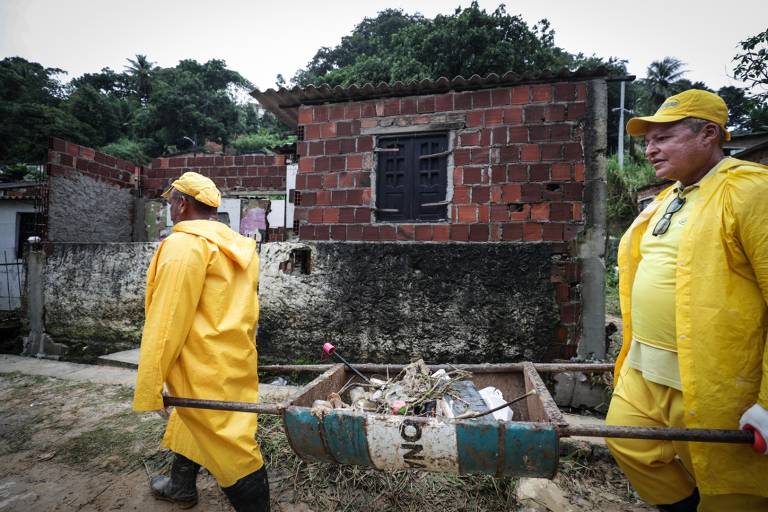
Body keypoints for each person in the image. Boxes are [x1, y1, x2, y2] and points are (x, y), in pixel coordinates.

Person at [606, 89, 768, 512]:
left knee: (731, 492)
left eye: (664, 137)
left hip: (714, 380)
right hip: (644, 368)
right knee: (627, 440)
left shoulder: (750, 192)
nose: (651, 149)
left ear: (708, 134)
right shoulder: (666, 198)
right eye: (647, 141)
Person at [133, 171, 269, 512]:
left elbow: (167, 320)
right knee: (194, 419)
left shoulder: (184, 245)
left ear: (181, 204)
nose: (169, 208)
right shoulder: (238, 247)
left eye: (170, 202)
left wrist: (151, 384)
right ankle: (180, 485)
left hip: (201, 364)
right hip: (233, 357)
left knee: (232, 447)